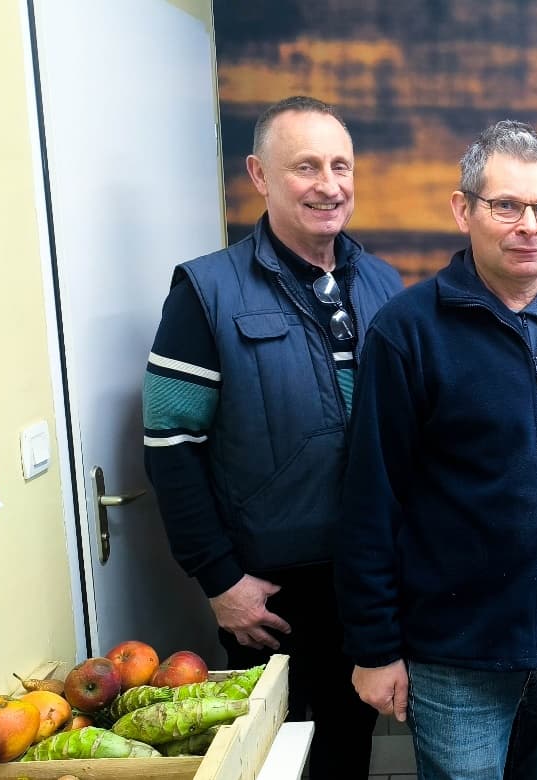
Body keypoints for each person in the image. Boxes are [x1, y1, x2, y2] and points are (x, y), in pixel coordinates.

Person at [336, 120, 537, 780]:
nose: (528, 225)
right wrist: (374, 646)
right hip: (457, 661)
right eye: (506, 205)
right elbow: (370, 500)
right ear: (462, 209)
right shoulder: (408, 333)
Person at [142, 95, 403, 778]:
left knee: (349, 750)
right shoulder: (207, 292)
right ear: (259, 175)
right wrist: (219, 578)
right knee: (273, 761)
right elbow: (170, 445)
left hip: (367, 581)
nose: (328, 184)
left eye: (339, 166)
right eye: (305, 167)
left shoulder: (383, 285)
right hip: (268, 595)